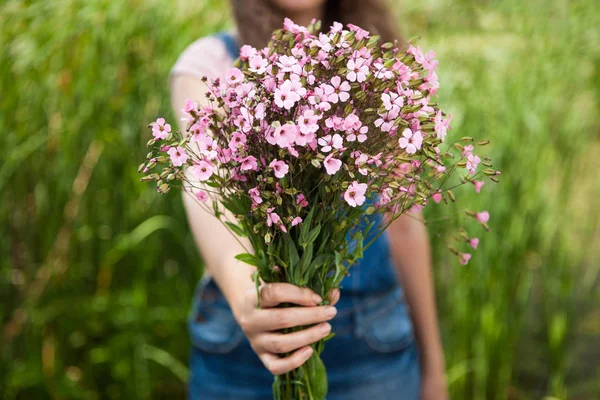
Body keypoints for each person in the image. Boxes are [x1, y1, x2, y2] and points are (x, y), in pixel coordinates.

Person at [170, 1, 448, 399]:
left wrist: (434, 371)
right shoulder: (211, 63)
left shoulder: (383, 69)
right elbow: (206, 190)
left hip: (374, 354)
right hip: (241, 350)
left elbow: (403, 220)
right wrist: (247, 294)